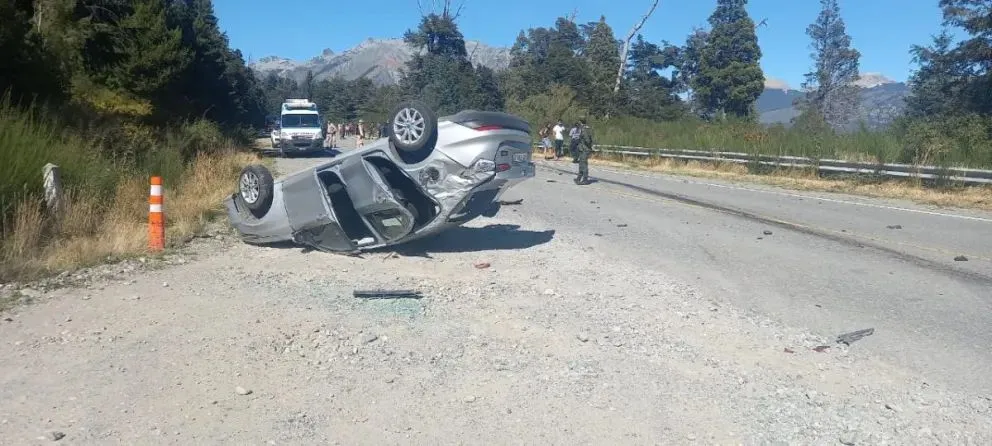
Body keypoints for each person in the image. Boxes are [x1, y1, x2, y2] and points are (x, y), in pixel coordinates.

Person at [574, 117, 593, 185]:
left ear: (580, 122)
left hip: (585, 149)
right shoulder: (585, 128)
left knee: (584, 164)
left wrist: (585, 144)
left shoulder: (584, 129)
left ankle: (585, 179)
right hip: (582, 148)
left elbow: (587, 140)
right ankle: (579, 178)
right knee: (581, 163)